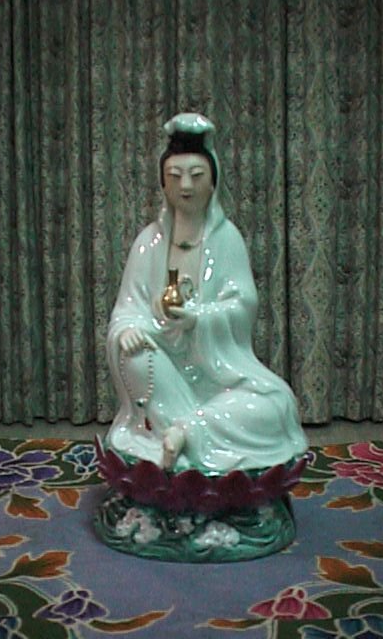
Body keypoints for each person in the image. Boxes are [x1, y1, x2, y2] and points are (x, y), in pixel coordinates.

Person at [105, 113, 308, 475]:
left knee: (278, 403)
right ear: (163, 184)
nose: (186, 186)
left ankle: (183, 433)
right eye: (175, 176)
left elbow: (243, 305)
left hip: (218, 375)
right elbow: (127, 309)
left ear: (213, 182)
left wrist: (198, 319)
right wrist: (128, 329)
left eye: (196, 176)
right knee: (133, 355)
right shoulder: (148, 243)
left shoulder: (227, 239)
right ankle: (178, 435)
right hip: (164, 366)